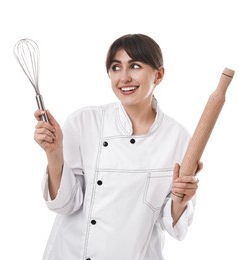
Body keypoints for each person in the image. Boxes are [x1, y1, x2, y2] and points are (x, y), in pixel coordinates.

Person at [34, 33, 202, 260]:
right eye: (115, 67)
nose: (124, 78)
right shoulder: (85, 122)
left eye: (134, 66)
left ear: (159, 75)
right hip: (71, 253)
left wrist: (181, 200)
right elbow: (64, 205)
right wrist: (54, 153)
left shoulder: (178, 138)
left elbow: (175, 228)